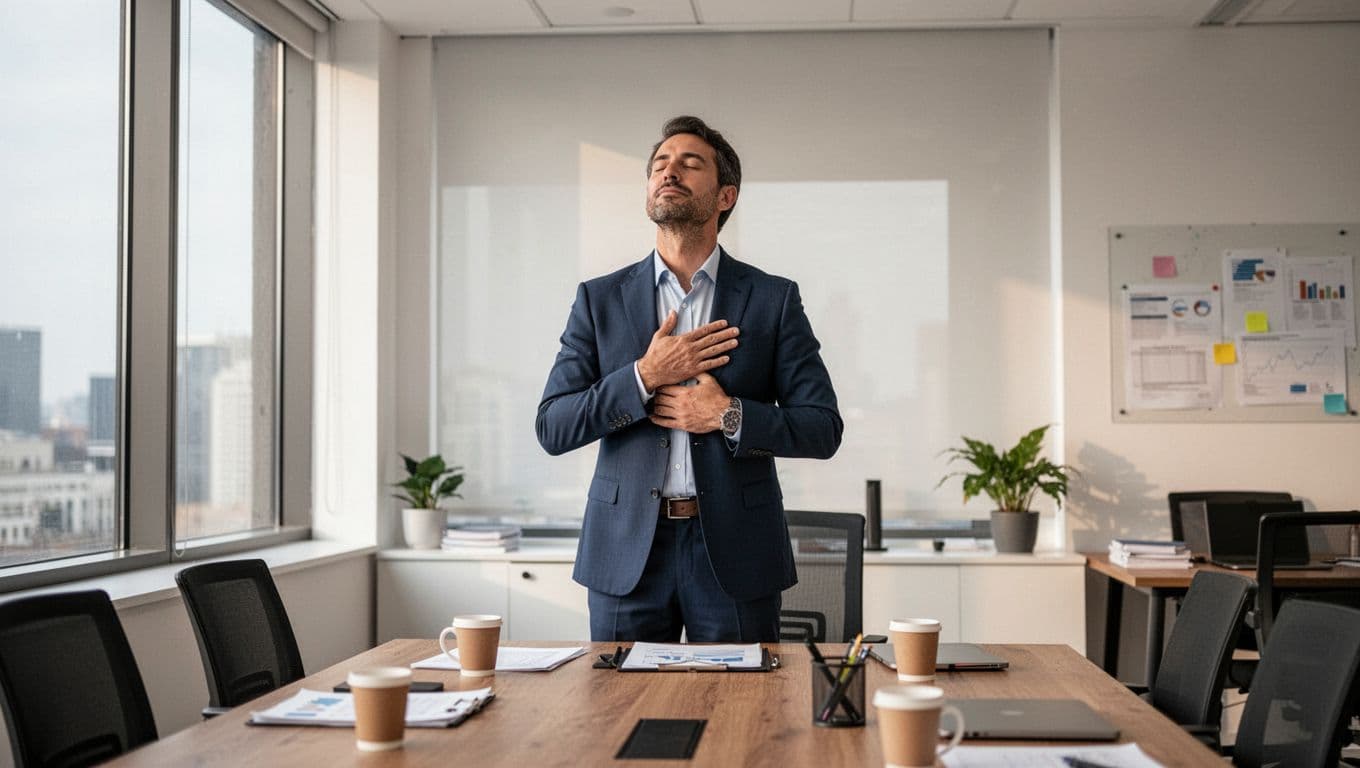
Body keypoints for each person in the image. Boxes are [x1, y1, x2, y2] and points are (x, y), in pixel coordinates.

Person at [536, 115, 842, 642]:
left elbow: (821, 428)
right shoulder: (599, 299)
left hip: (735, 551)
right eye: (660, 163)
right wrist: (643, 375)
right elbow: (553, 426)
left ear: (725, 196)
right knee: (618, 716)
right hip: (626, 552)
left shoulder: (772, 299)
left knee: (743, 717)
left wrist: (728, 415)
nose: (668, 171)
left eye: (689, 163)